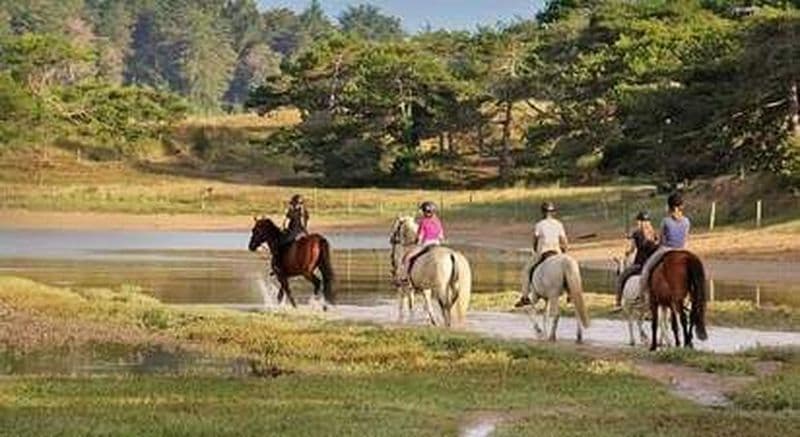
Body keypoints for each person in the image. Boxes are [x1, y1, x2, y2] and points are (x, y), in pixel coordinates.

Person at [638, 193, 691, 301]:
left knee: (646, 269)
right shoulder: (687, 221)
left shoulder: (665, 221)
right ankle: (691, 297)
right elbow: (685, 238)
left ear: (671, 207)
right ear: (681, 206)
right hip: (682, 249)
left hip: (666, 249)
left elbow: (662, 240)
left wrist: (657, 244)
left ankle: (641, 295)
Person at [514, 202, 568, 307]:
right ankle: (570, 293)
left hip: (543, 251)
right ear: (553, 213)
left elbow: (535, 242)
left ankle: (525, 297)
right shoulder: (559, 224)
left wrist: (535, 250)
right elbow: (564, 242)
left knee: (526, 271)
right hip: (557, 252)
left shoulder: (539, 225)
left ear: (543, 212)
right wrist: (564, 250)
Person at [614, 211, 659, 309]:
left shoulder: (637, 233)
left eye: (638, 221)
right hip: (652, 264)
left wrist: (627, 253)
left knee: (622, 277)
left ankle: (618, 302)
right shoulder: (654, 233)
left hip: (640, 264)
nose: (638, 223)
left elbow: (632, 249)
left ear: (641, 222)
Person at [397, 201, 444, 285]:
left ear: (425, 212)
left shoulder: (423, 222)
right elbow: (441, 236)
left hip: (426, 244)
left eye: (422, 211)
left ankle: (405, 278)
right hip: (437, 244)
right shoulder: (438, 221)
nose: (422, 213)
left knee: (407, 257)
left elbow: (420, 237)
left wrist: (415, 242)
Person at [272, 194, 309, 275]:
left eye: (294, 203)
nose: (293, 205)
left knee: (279, 243)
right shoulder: (305, 212)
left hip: (293, 232)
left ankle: (278, 265)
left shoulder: (292, 211)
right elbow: (304, 224)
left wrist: (283, 228)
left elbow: (286, 222)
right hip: (303, 232)